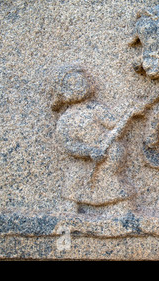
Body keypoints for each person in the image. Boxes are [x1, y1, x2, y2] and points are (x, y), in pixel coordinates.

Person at [51, 66, 136, 210]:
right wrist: (88, 151)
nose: (80, 87)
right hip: (84, 157)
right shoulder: (65, 119)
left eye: (81, 82)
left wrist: (128, 110)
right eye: (73, 85)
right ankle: (71, 205)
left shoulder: (96, 108)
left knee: (109, 177)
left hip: (108, 152)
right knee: (76, 179)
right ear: (62, 93)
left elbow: (113, 123)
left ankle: (119, 205)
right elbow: (68, 144)